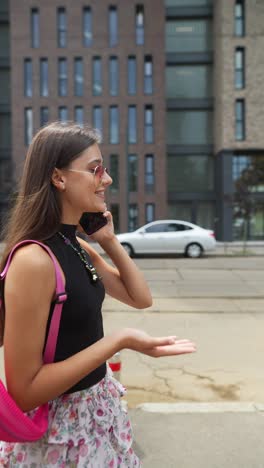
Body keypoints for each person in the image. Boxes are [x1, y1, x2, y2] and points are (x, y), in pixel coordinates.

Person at [0, 121, 196, 467]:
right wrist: (117, 341)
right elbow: (24, 390)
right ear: (58, 178)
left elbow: (140, 298)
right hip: (58, 435)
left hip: (93, 415)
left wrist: (108, 240)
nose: (106, 179)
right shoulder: (34, 260)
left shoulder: (75, 245)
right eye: (95, 170)